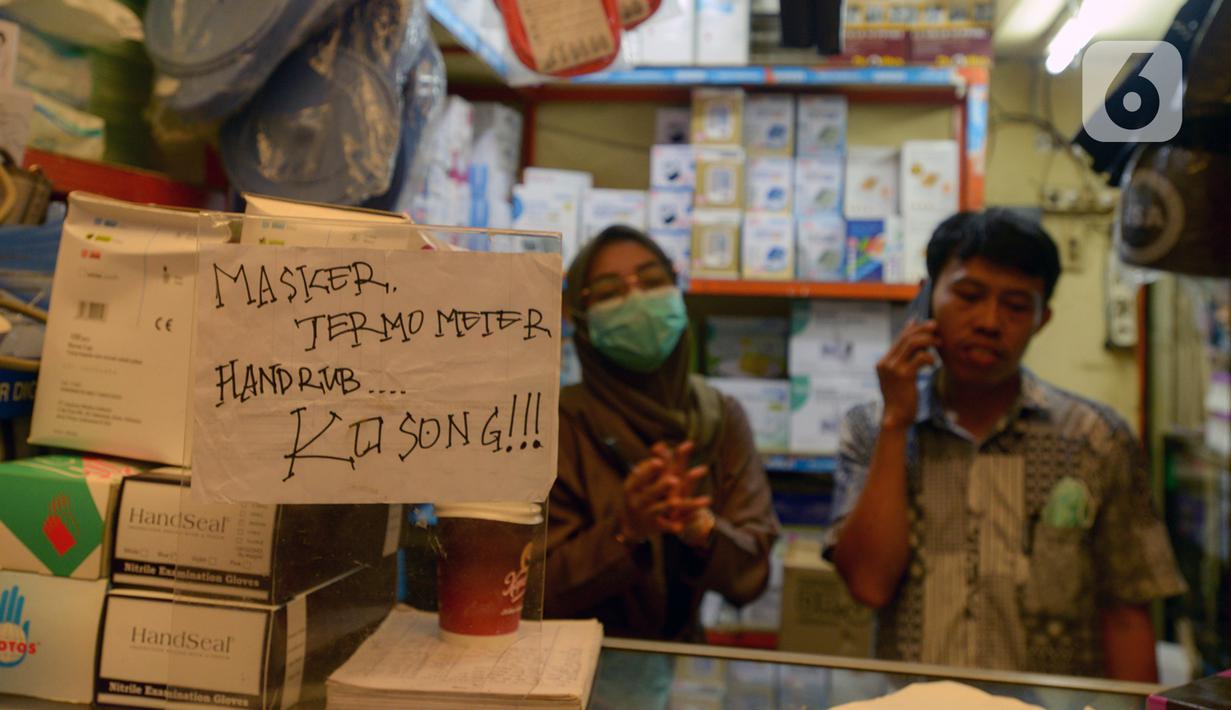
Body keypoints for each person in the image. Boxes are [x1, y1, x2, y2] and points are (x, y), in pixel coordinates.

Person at [828, 209, 1186, 680]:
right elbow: (870, 585)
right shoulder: (871, 429)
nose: (989, 322)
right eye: (968, 295)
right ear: (927, 299)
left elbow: (1126, 614)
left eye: (1016, 306)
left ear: (1043, 319)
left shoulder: (1095, 439)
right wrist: (898, 422)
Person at [544, 225, 779, 641]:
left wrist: (702, 529)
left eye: (653, 282)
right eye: (609, 292)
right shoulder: (557, 423)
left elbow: (752, 575)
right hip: (566, 666)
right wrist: (625, 532)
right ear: (579, 320)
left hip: (680, 667)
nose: (636, 301)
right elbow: (531, 588)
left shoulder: (719, 416)